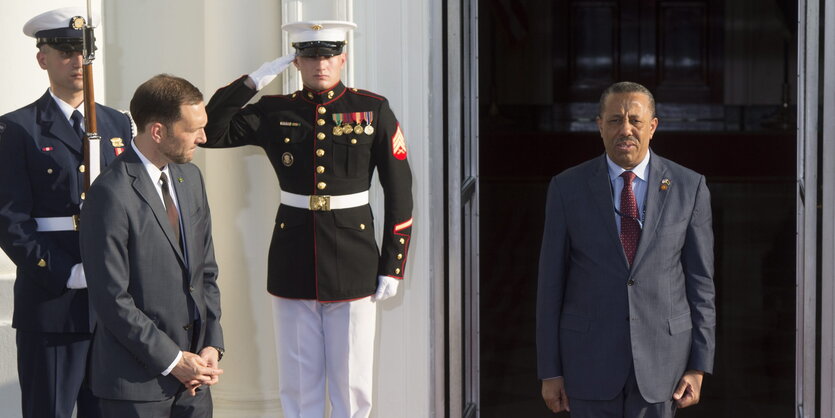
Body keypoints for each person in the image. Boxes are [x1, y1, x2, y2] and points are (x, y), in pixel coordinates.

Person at [203, 20, 413, 418]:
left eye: (330, 55)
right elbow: (210, 131)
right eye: (311, 56)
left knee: (352, 384)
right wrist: (252, 82)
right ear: (296, 61)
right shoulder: (275, 110)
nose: (321, 64)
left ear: (343, 57)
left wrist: (393, 265)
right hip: (293, 254)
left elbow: (400, 190)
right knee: (299, 383)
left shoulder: (371, 108)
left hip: (354, 257)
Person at [536, 81, 715, 417]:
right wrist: (550, 370)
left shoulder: (690, 187)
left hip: (664, 367)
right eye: (615, 120)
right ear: (599, 126)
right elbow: (550, 286)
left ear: (653, 126)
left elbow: (701, 284)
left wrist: (699, 366)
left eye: (635, 119)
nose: (626, 129)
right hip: (588, 363)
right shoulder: (566, 188)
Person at [0, 7, 133, 418]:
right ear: (43, 58)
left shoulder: (117, 124)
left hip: (111, 304)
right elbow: (10, 220)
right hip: (52, 303)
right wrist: (63, 272)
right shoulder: (17, 128)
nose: (78, 61)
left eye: (83, 51)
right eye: (65, 51)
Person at [79, 74, 224, 417]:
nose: (202, 138)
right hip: (136, 387)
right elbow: (112, 298)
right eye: (193, 129)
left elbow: (205, 272)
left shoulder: (191, 179)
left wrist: (211, 344)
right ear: (158, 131)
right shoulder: (110, 192)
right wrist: (173, 360)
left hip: (195, 384)